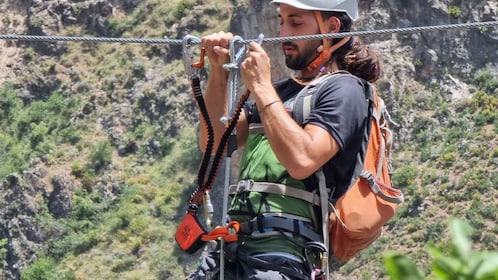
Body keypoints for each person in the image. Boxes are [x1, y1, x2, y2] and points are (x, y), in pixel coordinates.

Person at [187, 0, 381, 279]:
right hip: (234, 247)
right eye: (281, 21)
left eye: (296, 22)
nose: (284, 33)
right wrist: (218, 72)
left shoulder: (345, 89)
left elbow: (302, 160)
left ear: (331, 26)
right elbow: (214, 144)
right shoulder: (279, 92)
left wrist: (263, 89)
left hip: (284, 251)